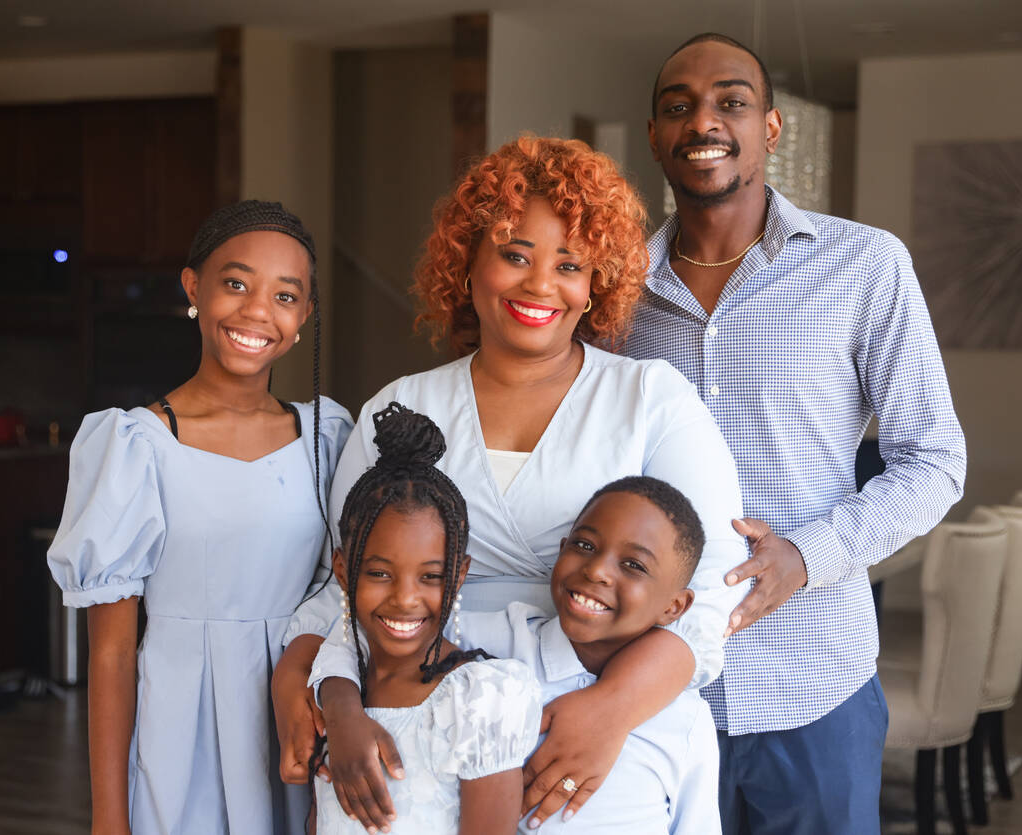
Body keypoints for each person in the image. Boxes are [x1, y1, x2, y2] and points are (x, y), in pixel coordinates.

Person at [272, 136, 748, 833]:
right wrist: (305, 681)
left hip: (591, 719)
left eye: (569, 264)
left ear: (597, 284)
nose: (539, 285)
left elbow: (709, 598)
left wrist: (610, 709)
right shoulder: (399, 409)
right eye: (515, 254)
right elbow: (343, 589)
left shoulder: (654, 400)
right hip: (422, 715)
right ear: (468, 263)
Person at [628, 33, 967, 833]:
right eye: (678, 106)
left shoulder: (864, 265)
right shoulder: (611, 292)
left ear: (771, 128)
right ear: (654, 137)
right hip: (652, 689)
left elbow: (936, 458)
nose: (703, 120)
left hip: (816, 682)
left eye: (730, 102)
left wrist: (806, 556)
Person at [47, 201, 354, 835]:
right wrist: (110, 819)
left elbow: (346, 596)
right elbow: (110, 653)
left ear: (303, 318)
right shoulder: (134, 446)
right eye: (236, 283)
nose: (256, 311)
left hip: (297, 716)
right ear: (194, 288)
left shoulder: (326, 438)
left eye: (285, 295)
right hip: (179, 730)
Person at [312, 475, 721, 834]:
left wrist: (614, 713)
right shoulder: (492, 640)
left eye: (633, 564)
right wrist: (342, 710)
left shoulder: (683, 722)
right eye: (584, 545)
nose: (597, 571)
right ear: (560, 551)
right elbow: (362, 634)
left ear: (675, 607)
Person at [312, 401, 542, 835]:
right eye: (379, 573)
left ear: (459, 576)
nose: (404, 599)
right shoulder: (340, 676)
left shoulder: (478, 700)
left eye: (431, 576)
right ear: (343, 571)